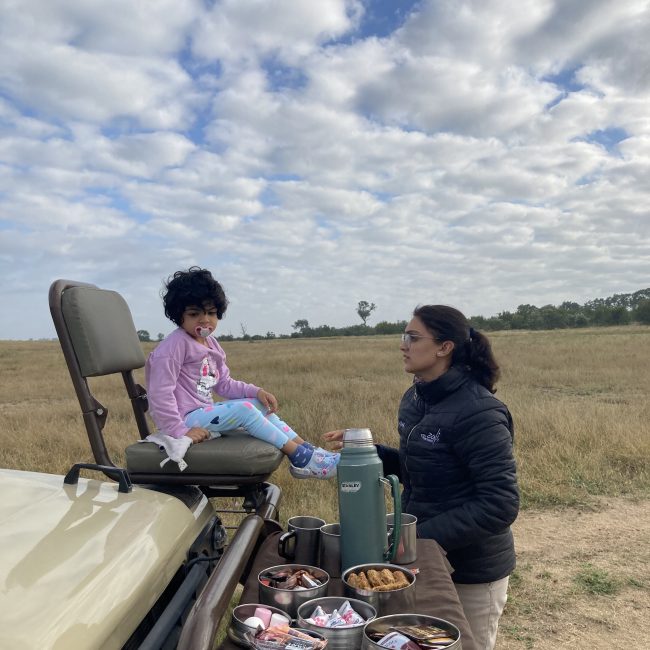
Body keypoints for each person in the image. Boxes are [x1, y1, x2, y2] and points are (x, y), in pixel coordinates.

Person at [324, 305, 519, 650]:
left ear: (445, 347)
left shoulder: (480, 412)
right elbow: (420, 467)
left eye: (413, 338)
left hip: (471, 570)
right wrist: (368, 455)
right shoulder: (415, 398)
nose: (403, 345)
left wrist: (419, 538)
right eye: (405, 336)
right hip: (422, 560)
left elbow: (499, 504)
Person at [145, 267, 339, 479]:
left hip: (203, 412)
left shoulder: (211, 344)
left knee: (257, 405)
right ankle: (302, 459)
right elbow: (159, 394)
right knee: (245, 410)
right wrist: (179, 430)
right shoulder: (173, 347)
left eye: (211, 313)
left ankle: (308, 449)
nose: (204, 320)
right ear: (178, 316)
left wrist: (256, 392)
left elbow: (224, 384)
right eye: (194, 314)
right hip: (186, 418)